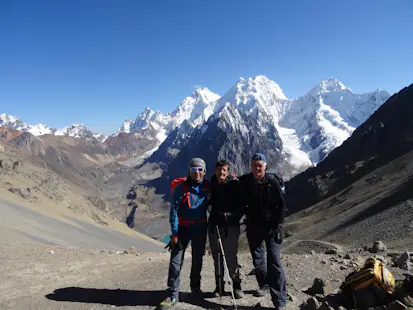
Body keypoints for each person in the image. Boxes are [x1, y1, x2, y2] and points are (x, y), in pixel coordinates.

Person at [159, 158, 210, 309]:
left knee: (197, 261)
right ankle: (172, 295)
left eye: (200, 170)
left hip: (200, 228)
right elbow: (173, 211)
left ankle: (195, 290)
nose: (197, 173)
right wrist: (174, 233)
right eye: (194, 170)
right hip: (182, 229)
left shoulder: (208, 187)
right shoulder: (181, 187)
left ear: (204, 171)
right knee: (175, 263)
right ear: (189, 171)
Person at [239, 153, 287, 310]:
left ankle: (279, 300)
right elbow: (231, 184)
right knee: (258, 261)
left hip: (271, 227)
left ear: (265, 166)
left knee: (274, 261)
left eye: (260, 165)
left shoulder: (272, 182)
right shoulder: (245, 180)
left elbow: (281, 205)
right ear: (250, 166)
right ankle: (264, 285)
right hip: (253, 227)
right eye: (254, 165)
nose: (257, 167)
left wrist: (278, 226)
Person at [208, 160, 244, 299]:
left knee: (230, 257)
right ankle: (219, 286)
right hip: (214, 226)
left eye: (224, 170)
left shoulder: (234, 185)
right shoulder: (211, 185)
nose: (221, 172)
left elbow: (241, 207)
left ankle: (236, 285)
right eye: (219, 169)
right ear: (215, 171)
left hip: (230, 227)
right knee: (217, 257)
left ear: (227, 171)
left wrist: (230, 216)